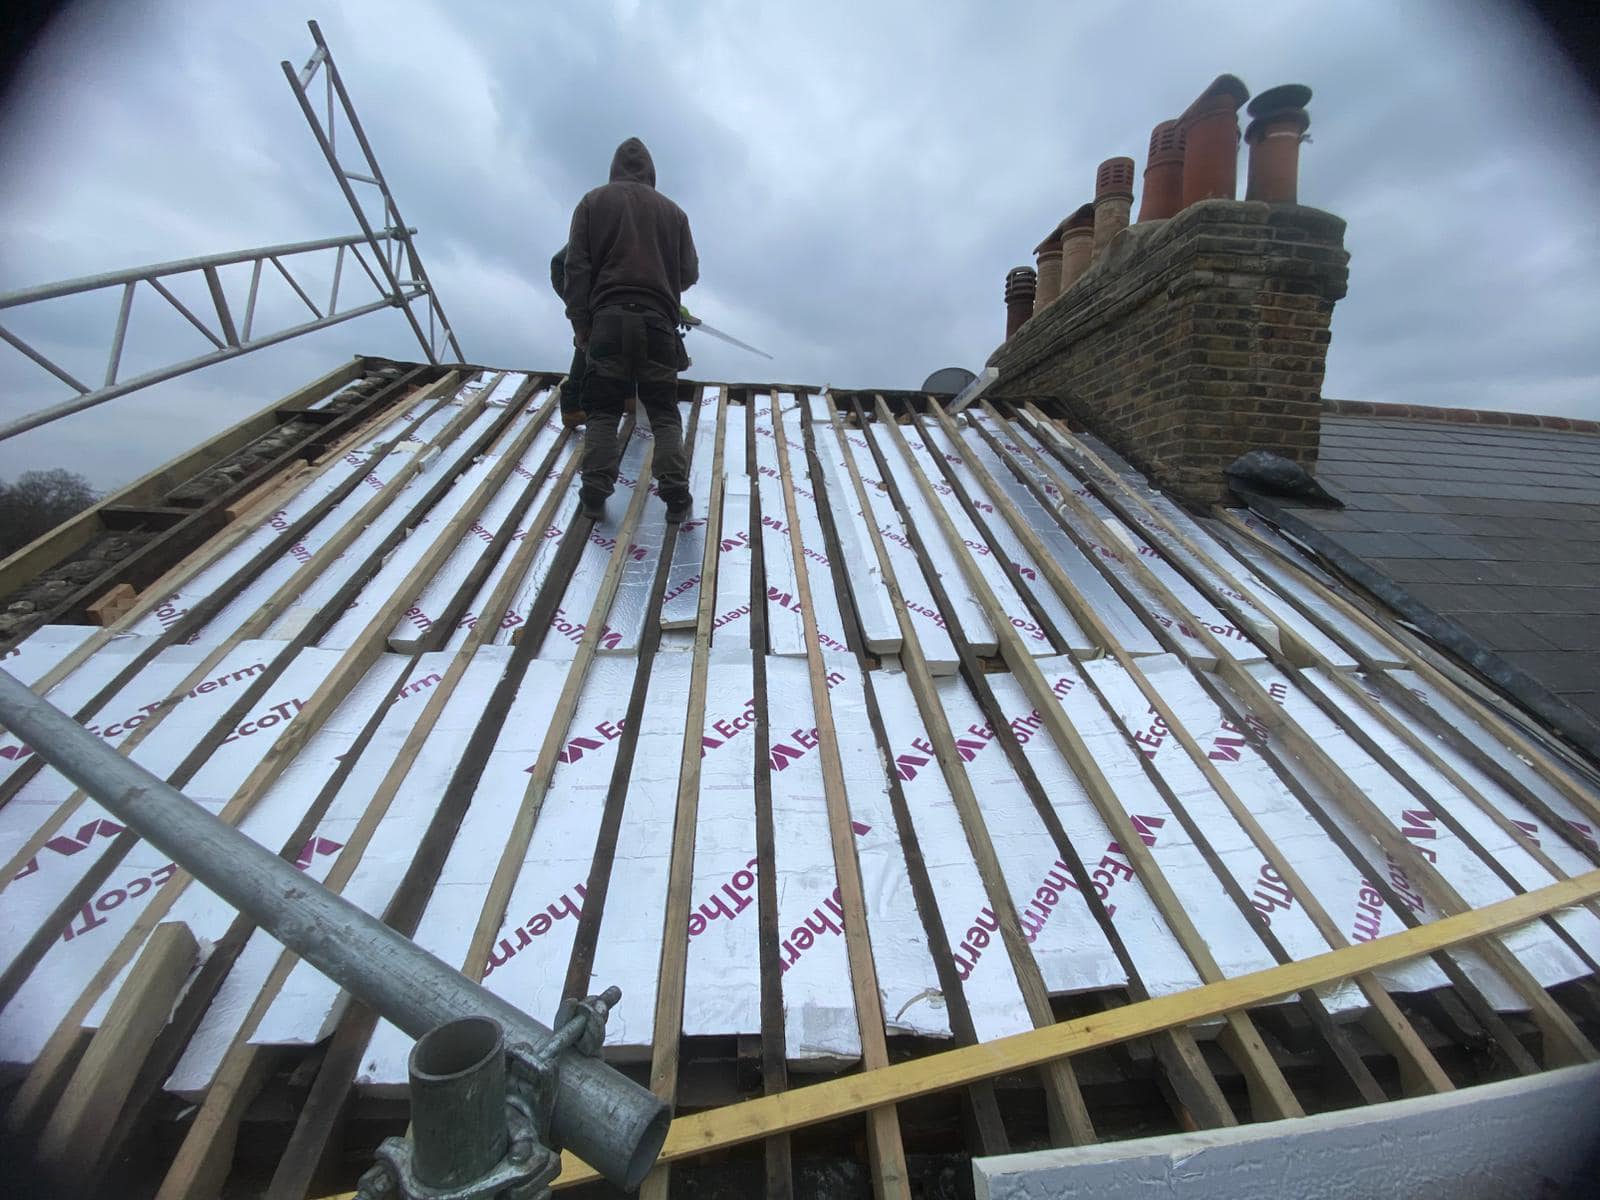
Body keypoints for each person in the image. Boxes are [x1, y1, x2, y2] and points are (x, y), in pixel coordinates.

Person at [563, 137, 698, 524]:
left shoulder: (593, 202)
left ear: (614, 169)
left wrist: (580, 324)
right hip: (657, 324)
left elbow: (576, 268)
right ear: (651, 173)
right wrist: (661, 284)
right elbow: (689, 272)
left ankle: (593, 494)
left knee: (603, 410)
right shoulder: (674, 213)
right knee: (663, 412)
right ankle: (674, 496)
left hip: (607, 320)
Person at [548, 244, 589, 429]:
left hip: (587, 276)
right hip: (569, 273)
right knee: (591, 336)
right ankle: (571, 407)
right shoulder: (613, 222)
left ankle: (627, 395)